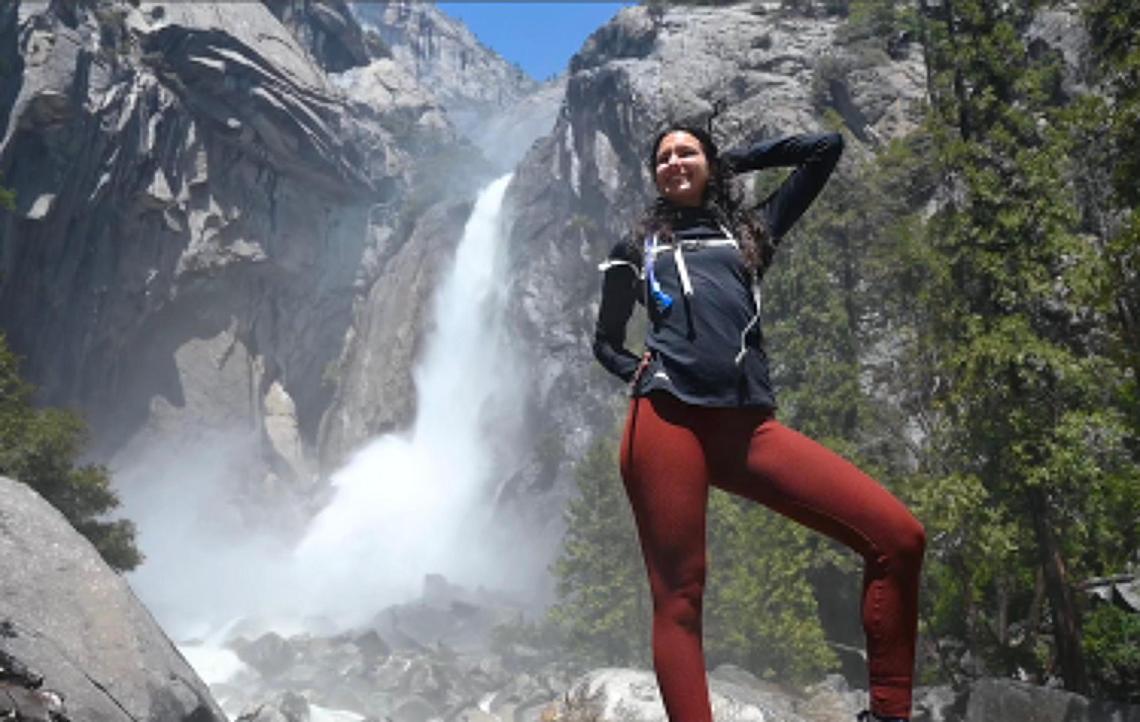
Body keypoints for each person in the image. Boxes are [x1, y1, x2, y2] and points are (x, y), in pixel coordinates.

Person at [591, 120, 926, 722]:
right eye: (663, 158)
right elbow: (605, 341)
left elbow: (825, 149)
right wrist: (637, 371)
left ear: (709, 162)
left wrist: (731, 160)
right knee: (680, 595)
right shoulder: (634, 247)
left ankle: (888, 714)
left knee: (898, 537)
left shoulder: (750, 232)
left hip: (746, 428)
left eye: (687, 152)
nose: (674, 163)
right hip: (666, 421)